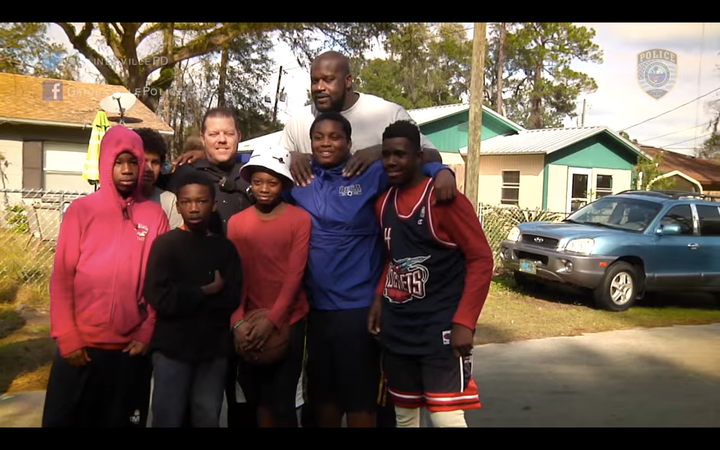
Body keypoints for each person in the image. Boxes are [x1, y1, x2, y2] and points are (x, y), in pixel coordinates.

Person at [282, 111, 457, 428]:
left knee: (361, 398)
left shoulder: (370, 173)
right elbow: (252, 166)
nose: (326, 143)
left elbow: (419, 163)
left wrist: (444, 172)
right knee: (323, 398)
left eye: (335, 137)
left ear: (350, 143)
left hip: (361, 308)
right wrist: (290, 154)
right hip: (317, 311)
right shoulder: (300, 177)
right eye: (318, 137)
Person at [42, 125, 170, 427]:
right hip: (80, 350)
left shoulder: (154, 216)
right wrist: (68, 336)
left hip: (129, 352)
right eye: (118, 161)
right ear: (105, 163)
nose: (127, 170)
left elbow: (160, 282)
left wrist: (147, 330)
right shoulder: (81, 211)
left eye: (133, 161)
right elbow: (62, 278)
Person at [368, 120, 494, 428]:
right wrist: (378, 300)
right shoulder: (383, 204)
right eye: (386, 155)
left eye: (400, 154)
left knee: (446, 417)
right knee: (405, 417)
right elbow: (393, 259)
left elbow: (481, 260)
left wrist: (465, 321)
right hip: (399, 330)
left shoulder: (444, 200)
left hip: (440, 330)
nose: (392, 162)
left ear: (419, 157)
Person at [165, 106, 256, 428]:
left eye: (228, 133)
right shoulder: (184, 173)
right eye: (214, 134)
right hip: (204, 301)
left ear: (239, 137)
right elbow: (146, 171)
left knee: (247, 394)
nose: (221, 140)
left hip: (250, 296)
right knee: (199, 400)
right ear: (202, 138)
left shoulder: (253, 171)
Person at [143, 172, 242, 427]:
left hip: (213, 349)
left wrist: (183, 296)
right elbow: (158, 296)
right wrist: (203, 292)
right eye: (186, 202)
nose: (194, 208)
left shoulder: (224, 248)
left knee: (207, 415)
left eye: (201, 201)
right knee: (167, 416)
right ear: (178, 206)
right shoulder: (164, 245)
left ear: (214, 205)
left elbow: (230, 298)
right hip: (171, 350)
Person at [226, 145, 312, 427]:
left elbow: (294, 275)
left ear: (284, 184)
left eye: (272, 182)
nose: (264, 188)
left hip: (289, 319)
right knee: (257, 400)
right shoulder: (238, 223)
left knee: (283, 400)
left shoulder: (299, 219)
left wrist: (273, 320)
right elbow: (236, 276)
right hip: (249, 320)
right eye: (258, 181)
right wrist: (238, 321)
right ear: (249, 183)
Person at [135, 128, 183, 229]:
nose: (149, 168)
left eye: (155, 162)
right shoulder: (114, 201)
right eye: (143, 161)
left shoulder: (169, 201)